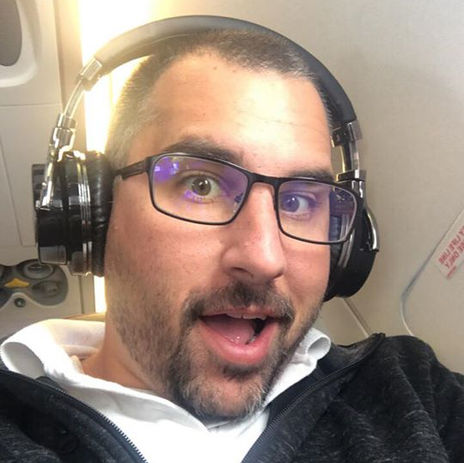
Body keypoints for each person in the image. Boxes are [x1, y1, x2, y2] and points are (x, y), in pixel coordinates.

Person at [0, 23, 463, 463]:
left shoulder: (410, 389)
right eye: (201, 185)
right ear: (94, 216)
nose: (263, 257)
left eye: (300, 201)